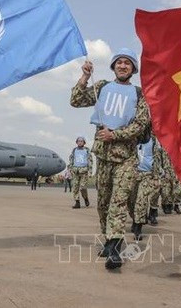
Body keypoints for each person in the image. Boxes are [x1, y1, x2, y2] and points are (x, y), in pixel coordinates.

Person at [70, 48, 150, 270]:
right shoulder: (102, 86)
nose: (123, 66)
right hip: (103, 156)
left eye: (128, 63)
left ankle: (115, 249)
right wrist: (85, 76)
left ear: (133, 69)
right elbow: (76, 100)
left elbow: (141, 124)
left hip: (126, 158)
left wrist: (115, 134)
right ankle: (108, 240)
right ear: (113, 66)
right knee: (103, 203)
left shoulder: (139, 93)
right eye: (119, 62)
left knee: (118, 202)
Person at [69, 136, 93, 208]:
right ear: (76, 142)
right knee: (75, 187)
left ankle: (85, 198)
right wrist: (71, 168)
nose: (80, 142)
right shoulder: (74, 150)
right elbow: (71, 159)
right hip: (75, 171)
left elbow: (90, 161)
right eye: (78, 141)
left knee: (82, 188)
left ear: (84, 142)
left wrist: (90, 171)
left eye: (81, 141)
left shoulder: (87, 150)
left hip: (84, 171)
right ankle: (77, 202)